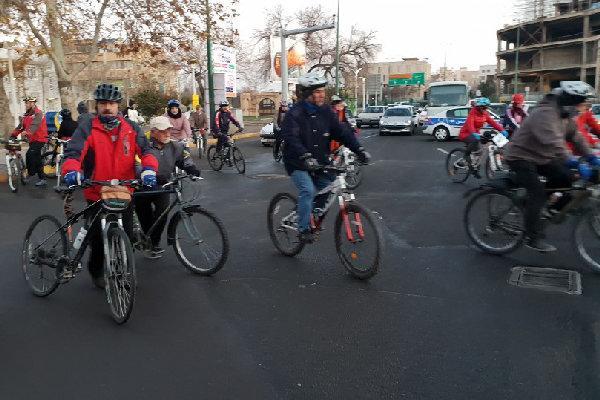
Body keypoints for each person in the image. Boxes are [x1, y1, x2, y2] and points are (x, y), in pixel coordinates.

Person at [62, 83, 158, 288]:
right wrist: (72, 170)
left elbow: (147, 150)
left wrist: (149, 169)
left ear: (118, 105)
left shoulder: (131, 127)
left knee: (129, 235)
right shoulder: (88, 127)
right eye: (103, 103)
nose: (107, 107)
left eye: (112, 103)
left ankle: (123, 270)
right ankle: (96, 272)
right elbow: (74, 152)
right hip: (96, 190)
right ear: (97, 106)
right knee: (96, 236)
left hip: (124, 190)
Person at [504, 81, 600, 252]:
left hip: (541, 157)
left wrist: (591, 157)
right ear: (568, 100)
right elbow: (554, 142)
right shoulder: (545, 113)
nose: (580, 108)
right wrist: (574, 161)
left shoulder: (565, 116)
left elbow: (576, 137)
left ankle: (546, 210)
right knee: (538, 193)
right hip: (520, 157)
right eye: (579, 103)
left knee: (567, 178)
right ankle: (532, 236)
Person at [281, 73, 370, 243]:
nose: (322, 94)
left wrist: (359, 150)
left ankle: (312, 213)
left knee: (329, 189)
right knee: (307, 189)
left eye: (323, 91)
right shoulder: (295, 114)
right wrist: (305, 156)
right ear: (307, 93)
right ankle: (303, 228)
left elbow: (342, 132)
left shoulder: (326, 112)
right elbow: (291, 138)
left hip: (320, 161)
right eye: (317, 91)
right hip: (298, 162)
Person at [135, 116, 201, 258]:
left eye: (169, 129)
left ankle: (154, 242)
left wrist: (191, 169)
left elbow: (185, 157)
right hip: (142, 189)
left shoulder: (174, 145)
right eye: (162, 130)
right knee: (146, 217)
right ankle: (145, 239)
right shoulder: (143, 147)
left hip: (163, 186)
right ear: (153, 132)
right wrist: (149, 174)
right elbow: (137, 165)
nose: (167, 133)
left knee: (162, 214)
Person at [458, 97, 508, 178]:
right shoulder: (472, 113)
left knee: (480, 151)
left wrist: (502, 130)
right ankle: (466, 156)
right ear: (479, 107)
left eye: (486, 107)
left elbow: (493, 123)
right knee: (475, 143)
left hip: (475, 134)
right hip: (466, 134)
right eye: (484, 107)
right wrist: (474, 133)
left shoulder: (485, 114)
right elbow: (470, 125)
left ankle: (475, 168)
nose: (486, 109)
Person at [11, 96, 49, 187]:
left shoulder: (38, 113)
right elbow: (20, 127)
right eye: (26, 103)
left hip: (40, 139)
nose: (26, 105)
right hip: (33, 140)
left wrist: (27, 132)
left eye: (27, 103)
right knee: (37, 159)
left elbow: (34, 125)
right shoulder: (26, 115)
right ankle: (42, 178)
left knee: (30, 154)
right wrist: (13, 135)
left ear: (32, 103)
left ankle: (30, 174)